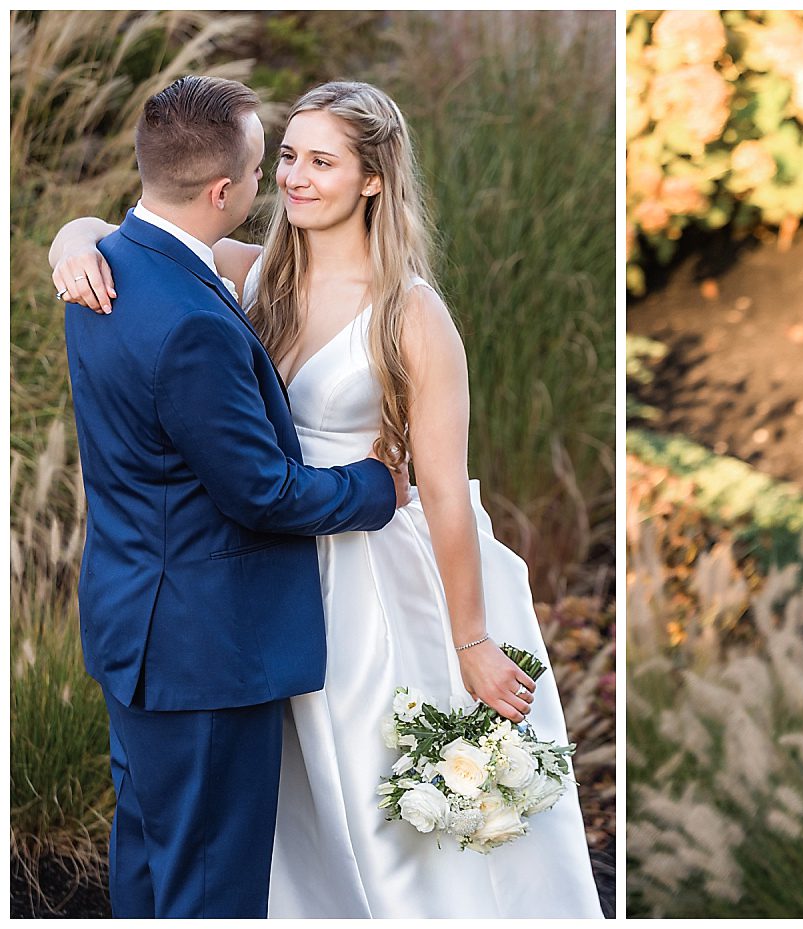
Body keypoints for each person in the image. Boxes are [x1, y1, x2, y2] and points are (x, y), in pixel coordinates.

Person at [52, 80, 600, 918]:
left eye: (322, 161)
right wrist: (74, 236)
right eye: (286, 157)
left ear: (373, 177)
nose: (295, 178)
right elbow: (152, 241)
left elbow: (444, 493)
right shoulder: (255, 272)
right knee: (277, 820)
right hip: (262, 580)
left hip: (368, 581)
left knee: (371, 808)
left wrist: (472, 639)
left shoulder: (410, 313)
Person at [58, 74, 401, 919]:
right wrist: (374, 486)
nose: (272, 183)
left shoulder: (103, 266)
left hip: (135, 630)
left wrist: (75, 228)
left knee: (149, 866)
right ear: (223, 191)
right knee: (210, 892)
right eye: (262, 167)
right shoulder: (193, 322)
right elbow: (262, 492)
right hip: (204, 654)